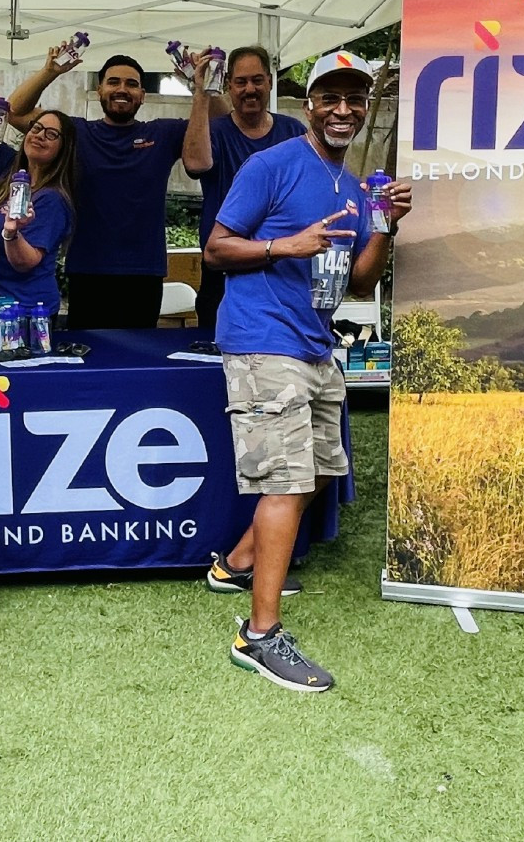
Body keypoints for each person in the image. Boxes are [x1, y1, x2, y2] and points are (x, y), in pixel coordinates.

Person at [204, 49, 410, 692]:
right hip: (264, 342)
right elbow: (215, 249)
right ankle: (259, 636)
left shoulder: (351, 187)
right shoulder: (274, 164)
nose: (342, 109)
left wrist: (386, 226)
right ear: (309, 104)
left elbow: (358, 281)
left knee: (320, 469)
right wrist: (283, 245)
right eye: (331, 97)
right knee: (288, 481)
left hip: (315, 344)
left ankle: (236, 564)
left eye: (354, 99)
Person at [6, 44, 216, 328]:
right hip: (88, 271)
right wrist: (49, 72)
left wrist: (202, 86)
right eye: (113, 82)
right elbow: (15, 112)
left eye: (132, 84)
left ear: (142, 95)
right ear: (99, 91)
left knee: (136, 365)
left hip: (144, 274)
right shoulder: (76, 133)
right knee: (88, 363)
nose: (122, 89)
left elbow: (222, 119)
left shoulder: (163, 133)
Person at [189, 45, 307, 332]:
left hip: (282, 271)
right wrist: (202, 90)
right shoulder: (214, 131)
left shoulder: (293, 132)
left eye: (257, 80)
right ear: (228, 85)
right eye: (241, 82)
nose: (249, 89)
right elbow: (194, 164)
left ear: (270, 82)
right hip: (224, 271)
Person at [0, 100, 77, 320]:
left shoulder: (52, 199)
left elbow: (25, 262)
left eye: (51, 134)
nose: (40, 135)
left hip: (28, 314)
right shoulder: (11, 170)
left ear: (64, 148)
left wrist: (11, 232)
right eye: (36, 128)